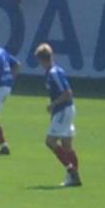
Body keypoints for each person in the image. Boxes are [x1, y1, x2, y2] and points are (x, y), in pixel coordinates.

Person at [35, 43, 82, 186]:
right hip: (65, 110)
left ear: (42, 60)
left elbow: (67, 93)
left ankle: (72, 171)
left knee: (50, 142)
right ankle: (74, 177)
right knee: (66, 146)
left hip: (63, 110)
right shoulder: (55, 70)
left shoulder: (53, 73)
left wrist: (53, 104)